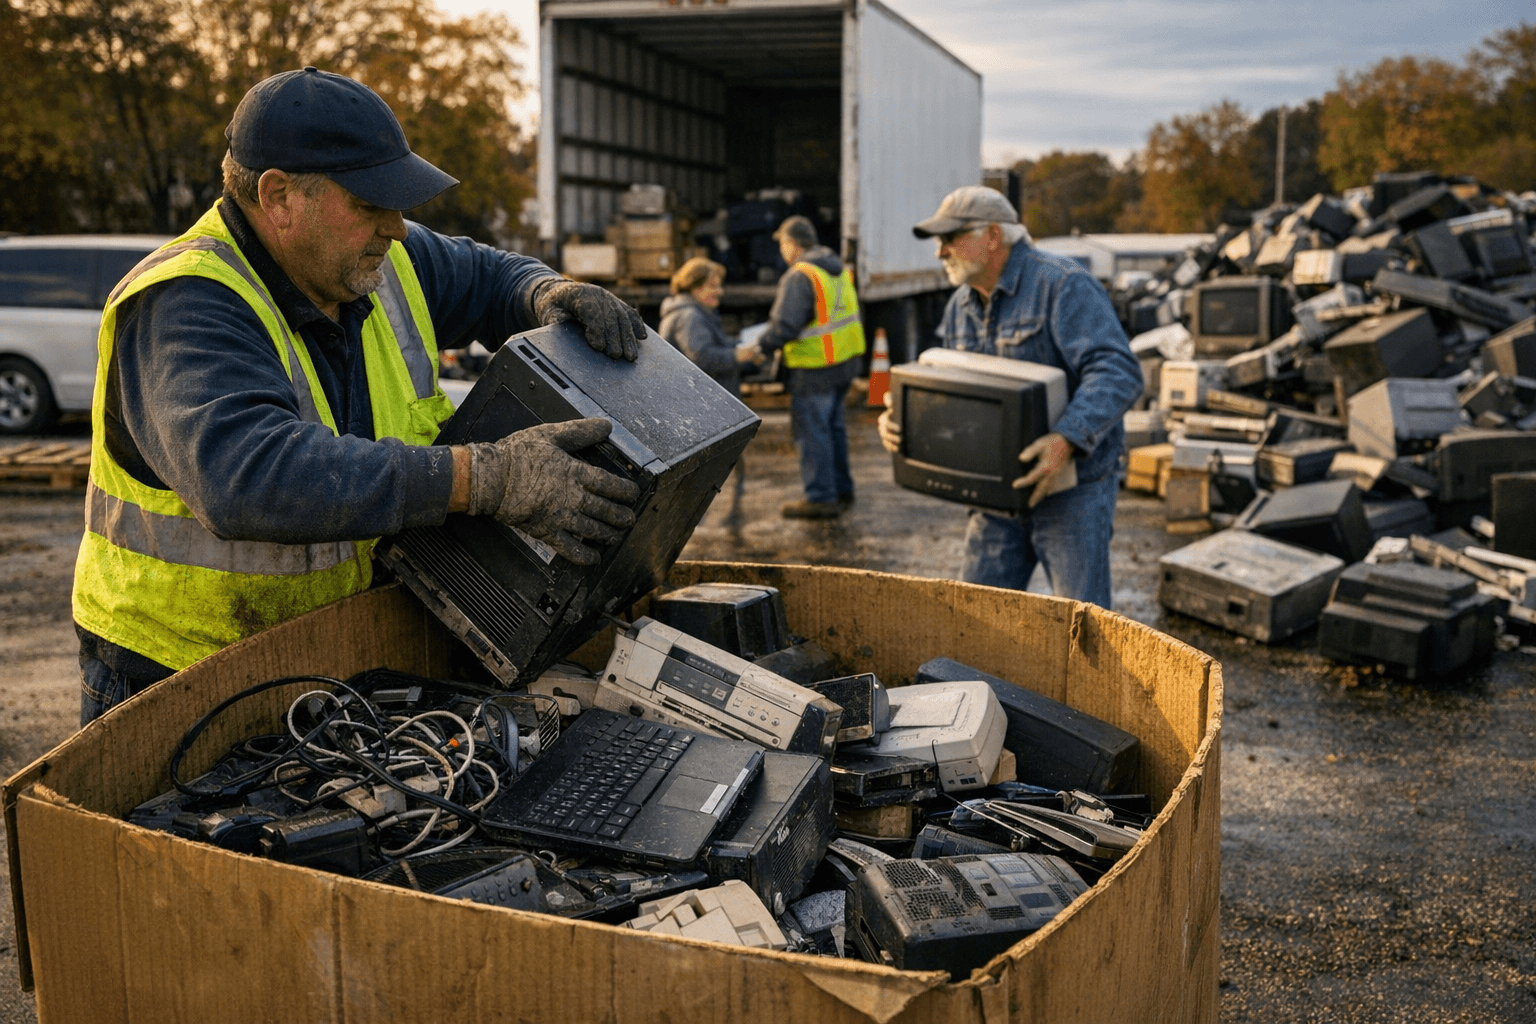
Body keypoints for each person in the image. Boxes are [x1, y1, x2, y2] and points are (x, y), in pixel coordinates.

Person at [71, 67, 649, 725]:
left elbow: (490, 276)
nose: (397, 228)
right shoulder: (187, 302)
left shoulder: (377, 258)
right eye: (372, 204)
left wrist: (545, 292)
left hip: (328, 662)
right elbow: (247, 477)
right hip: (182, 683)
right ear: (279, 197)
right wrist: (487, 479)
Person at [878, 186, 1142, 608]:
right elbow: (955, 392)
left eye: (950, 238)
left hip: (1071, 496)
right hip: (995, 503)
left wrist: (1066, 439)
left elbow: (1117, 370)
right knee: (978, 621)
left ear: (993, 236)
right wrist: (903, 419)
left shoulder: (1063, 285)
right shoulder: (960, 305)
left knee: (1082, 625)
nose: (940, 252)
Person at [750, 215, 865, 519]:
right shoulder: (835, 268)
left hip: (815, 367)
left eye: (782, 245)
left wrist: (759, 347)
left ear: (792, 243)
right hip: (843, 362)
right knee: (833, 428)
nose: (782, 252)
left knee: (813, 432)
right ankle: (841, 489)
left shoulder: (800, 275)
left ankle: (821, 497)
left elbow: (785, 325)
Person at [658, 256, 760, 396]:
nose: (720, 291)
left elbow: (717, 344)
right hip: (701, 400)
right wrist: (737, 356)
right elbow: (701, 358)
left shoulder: (693, 313)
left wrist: (745, 351)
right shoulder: (689, 316)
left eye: (719, 286)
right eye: (713, 286)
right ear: (694, 287)